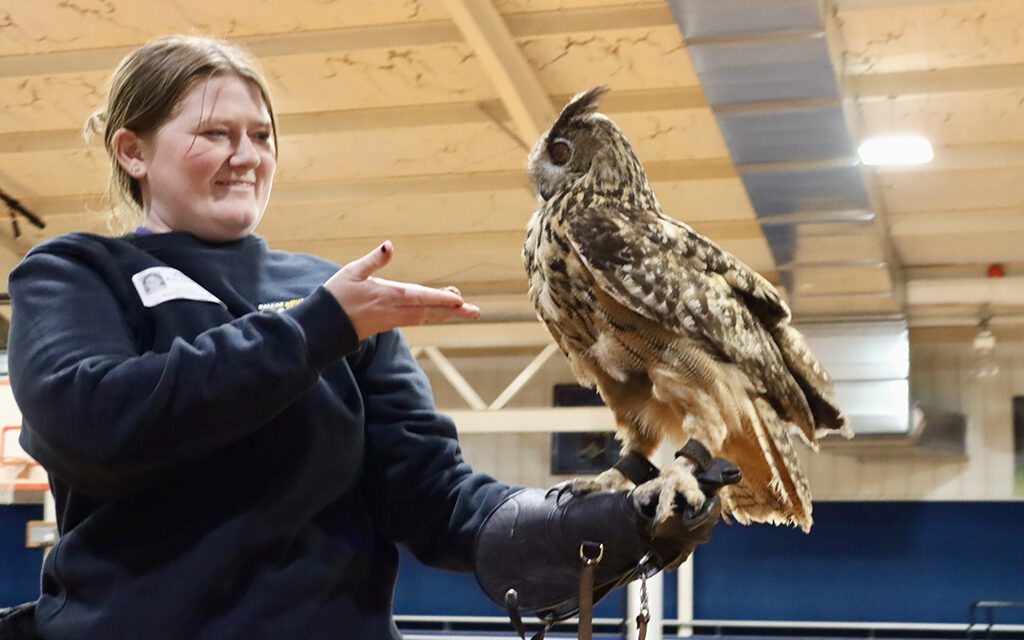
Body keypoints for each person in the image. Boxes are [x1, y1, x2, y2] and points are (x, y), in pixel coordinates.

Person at [2, 35, 737, 640]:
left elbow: (431, 496)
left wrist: (603, 521)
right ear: (134, 152)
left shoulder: (332, 292)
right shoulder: (77, 272)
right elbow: (96, 422)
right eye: (214, 134)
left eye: (261, 136)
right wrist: (318, 328)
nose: (247, 156)